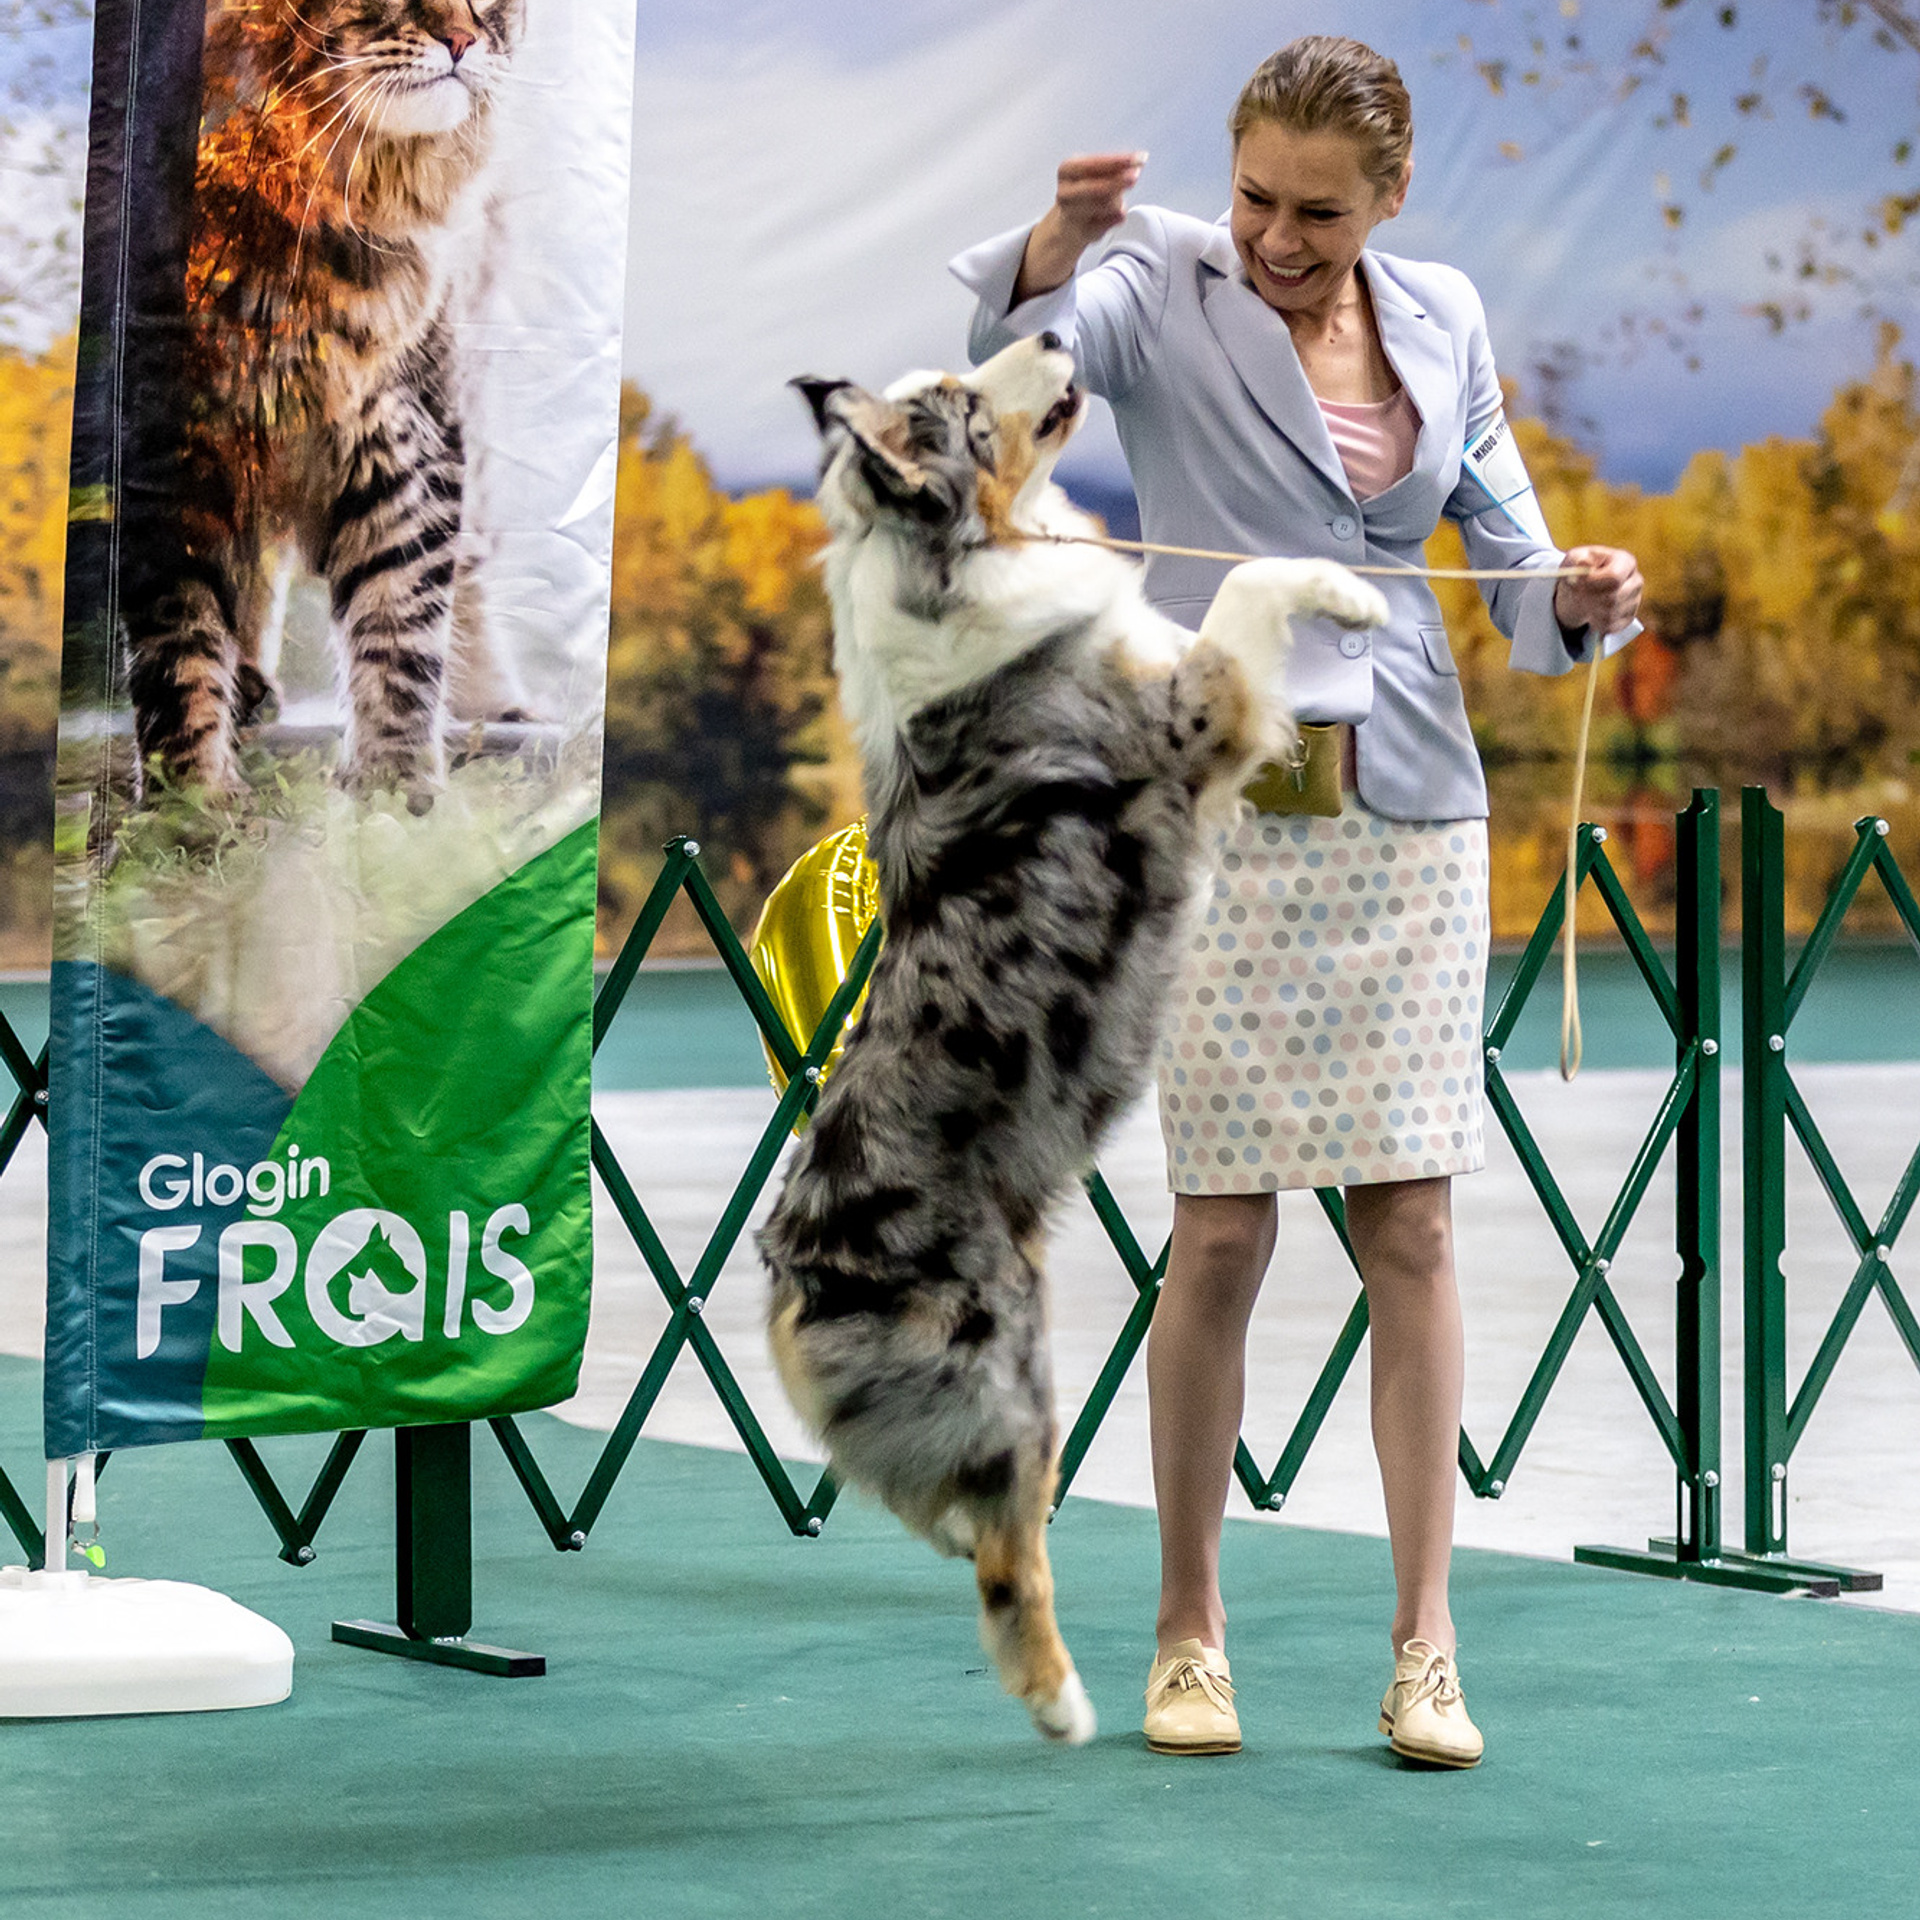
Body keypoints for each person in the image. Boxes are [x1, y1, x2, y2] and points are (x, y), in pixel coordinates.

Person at [950, 34, 1643, 1768]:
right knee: (1227, 1232)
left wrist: (1580, 591)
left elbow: (1508, 559)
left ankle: (1428, 1649)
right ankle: (1191, 1631)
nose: (1275, 233)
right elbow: (1011, 376)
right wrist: (1048, 252)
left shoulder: (1445, 316)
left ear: (1388, 199)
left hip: (1409, 808)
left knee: (1411, 1229)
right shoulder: (1157, 278)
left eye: (1318, 213)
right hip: (1229, 805)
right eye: (1257, 195)